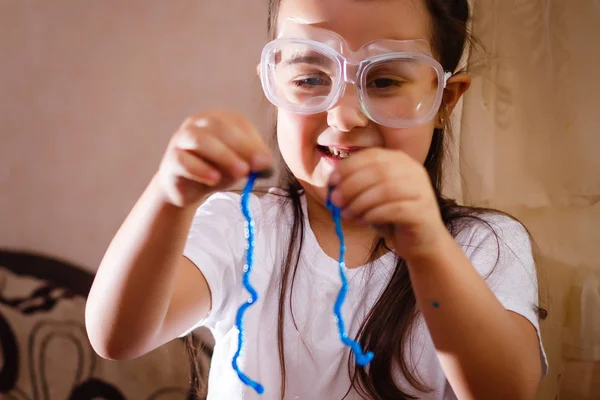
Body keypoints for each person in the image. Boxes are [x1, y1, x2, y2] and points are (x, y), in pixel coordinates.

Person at [85, 0, 548, 398]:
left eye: (384, 81)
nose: (343, 116)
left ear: (445, 100)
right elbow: (118, 337)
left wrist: (428, 250)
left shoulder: (483, 245)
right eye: (310, 77)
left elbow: (506, 392)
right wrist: (169, 195)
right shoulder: (243, 227)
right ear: (275, 83)